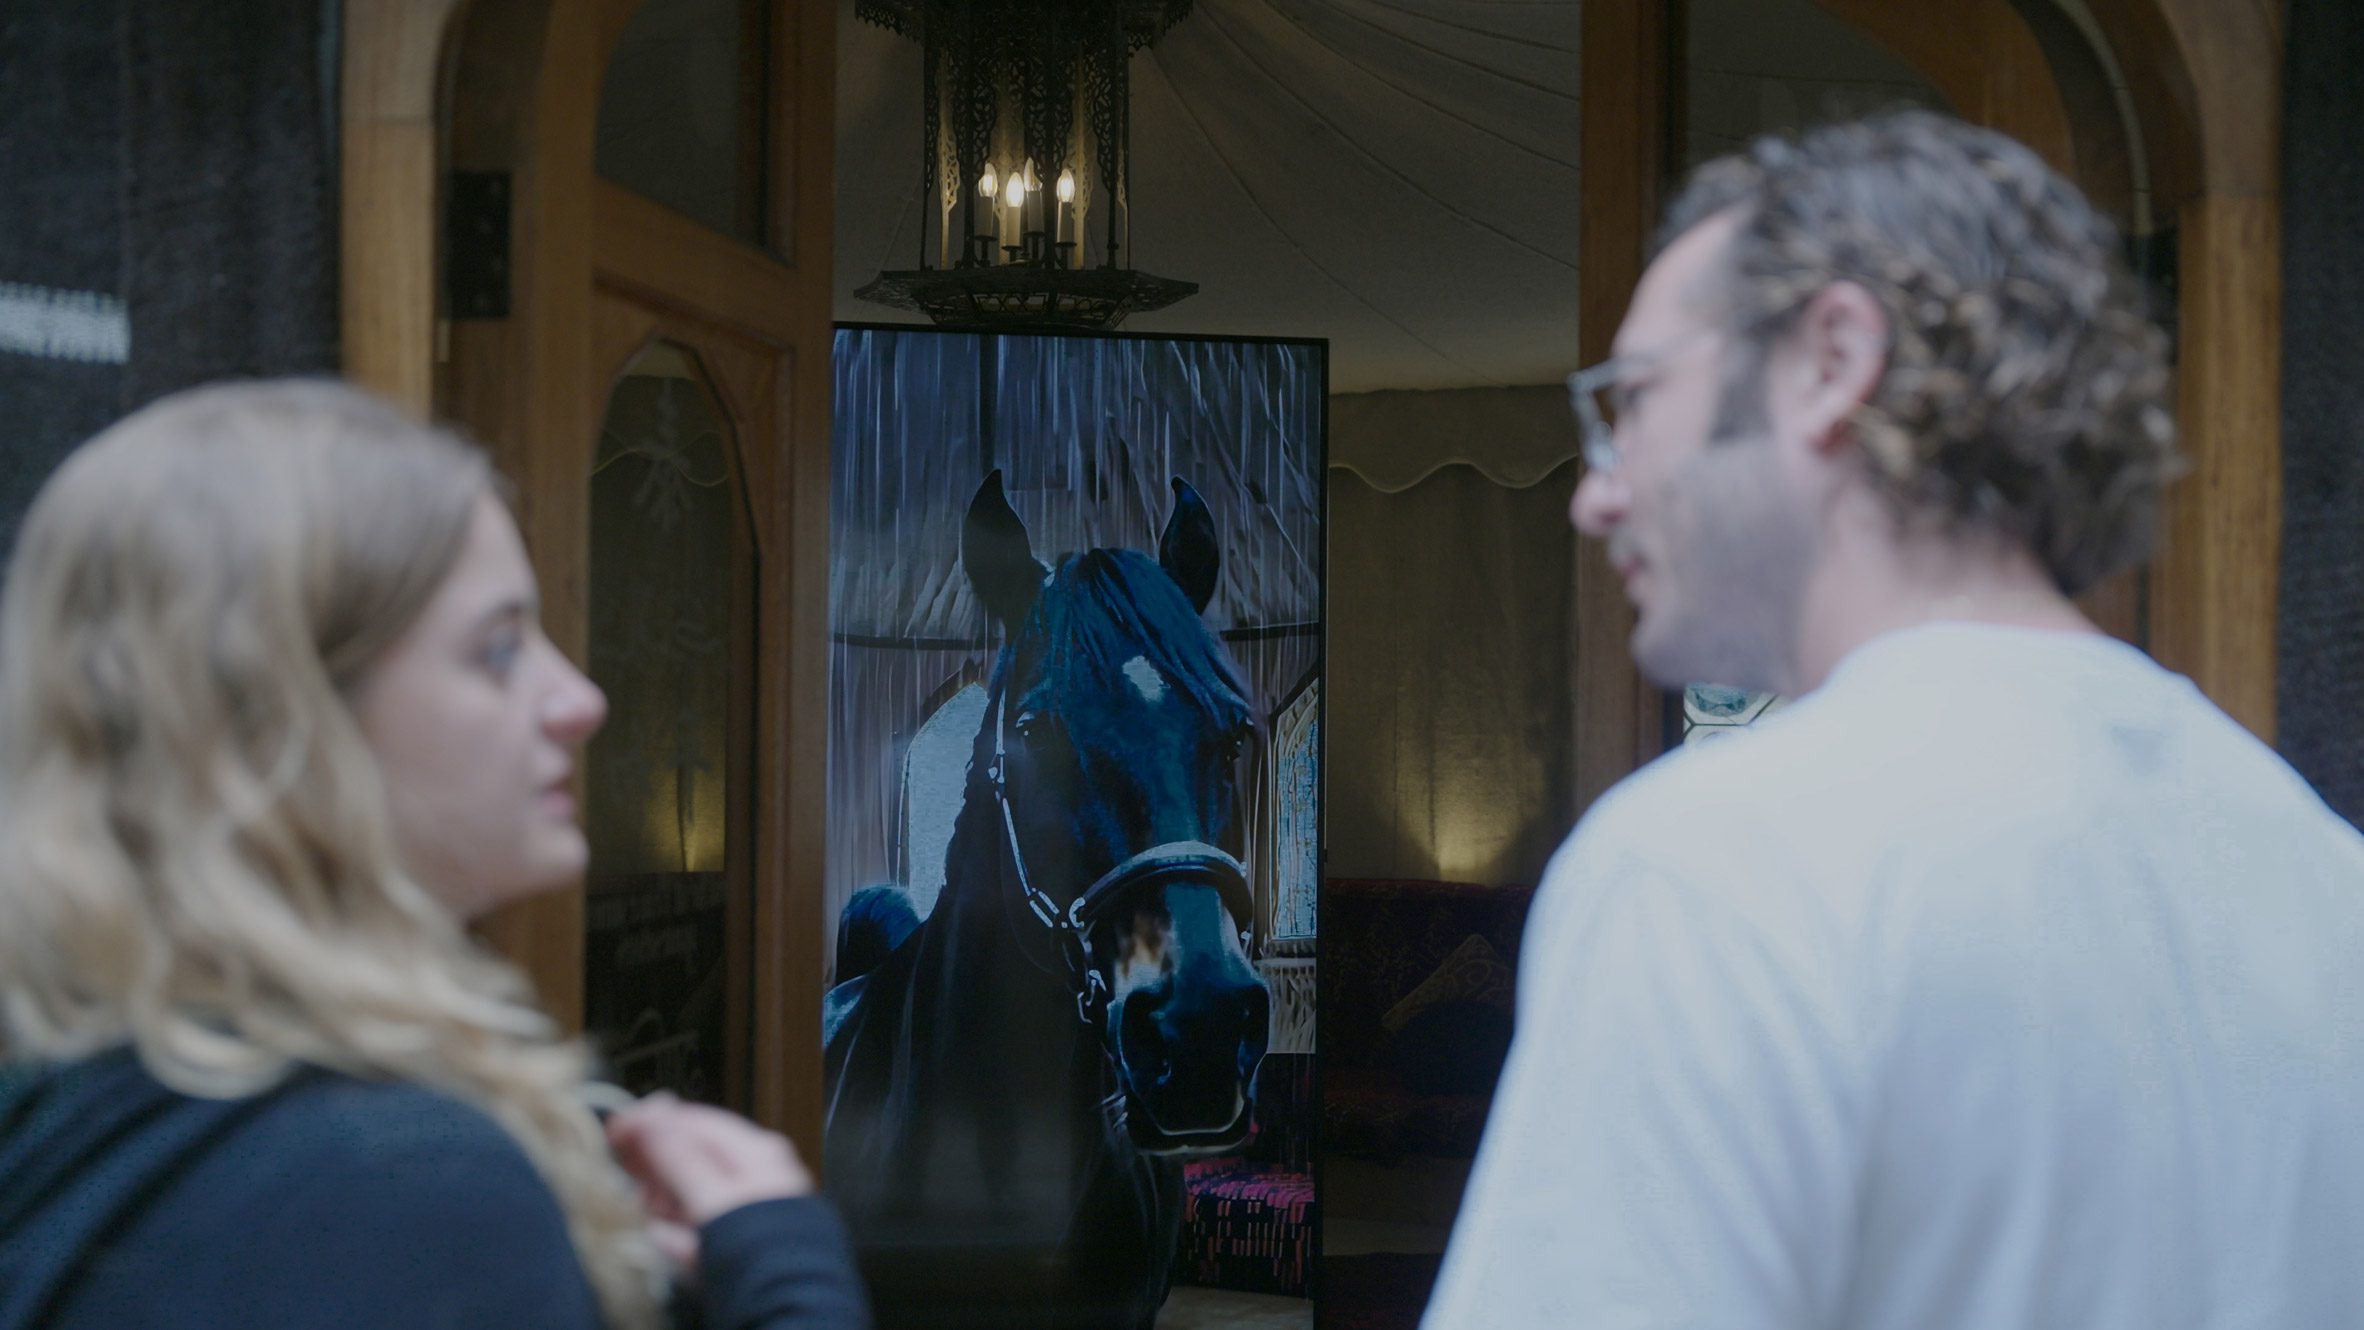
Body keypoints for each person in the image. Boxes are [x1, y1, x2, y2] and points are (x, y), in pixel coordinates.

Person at [1423, 110, 2364, 1328]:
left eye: (1634, 400)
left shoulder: (1716, 872)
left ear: (1832, 360)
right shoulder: (2324, 874)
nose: (1595, 495)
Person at [0, 379, 870, 1330]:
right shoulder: (401, 1184)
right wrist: (789, 1276)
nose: (581, 699)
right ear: (285, 722)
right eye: (498, 651)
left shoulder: (99, 1090)